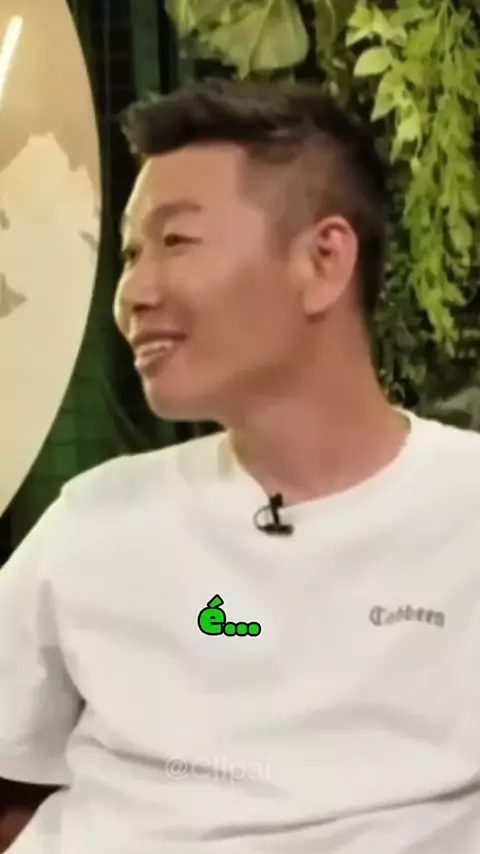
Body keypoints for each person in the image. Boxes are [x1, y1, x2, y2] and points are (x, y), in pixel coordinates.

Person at [0, 78, 479, 854]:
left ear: (323, 260)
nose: (132, 293)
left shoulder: (464, 509)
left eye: (176, 242)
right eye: (129, 254)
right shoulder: (94, 519)